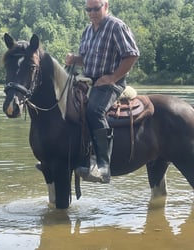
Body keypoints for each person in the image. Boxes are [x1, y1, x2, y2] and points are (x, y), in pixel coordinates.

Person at [65, 0, 140, 183]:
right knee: (68, 106)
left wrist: (112, 77)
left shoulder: (116, 26)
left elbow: (132, 54)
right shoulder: (88, 30)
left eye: (96, 8)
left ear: (105, 6)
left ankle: (103, 166)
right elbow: (87, 59)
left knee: (94, 111)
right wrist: (75, 58)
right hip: (89, 80)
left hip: (111, 83)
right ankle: (75, 156)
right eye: (88, 9)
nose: (92, 13)